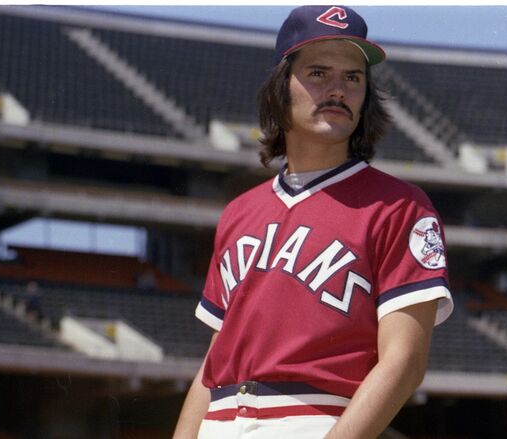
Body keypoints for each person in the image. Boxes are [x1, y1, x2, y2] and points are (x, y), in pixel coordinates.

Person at [174, 5, 453, 438]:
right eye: (319, 73)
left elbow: (404, 362)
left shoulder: (400, 207)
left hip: (314, 419)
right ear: (280, 87)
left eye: (353, 78)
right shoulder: (238, 213)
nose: (338, 90)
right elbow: (214, 361)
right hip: (220, 419)